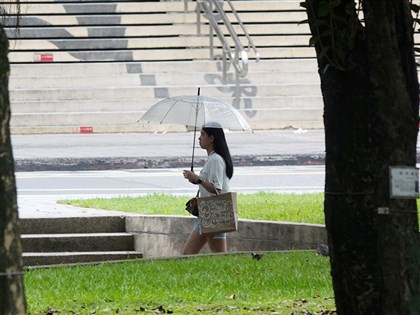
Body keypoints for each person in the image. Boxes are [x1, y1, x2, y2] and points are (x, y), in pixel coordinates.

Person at [182, 124, 233, 255]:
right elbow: (208, 183)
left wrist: (198, 179)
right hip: (208, 213)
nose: (199, 138)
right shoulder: (212, 158)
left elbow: (216, 189)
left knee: (217, 255)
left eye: (202, 135)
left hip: (214, 212)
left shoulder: (215, 159)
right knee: (190, 254)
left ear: (211, 138)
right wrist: (195, 179)